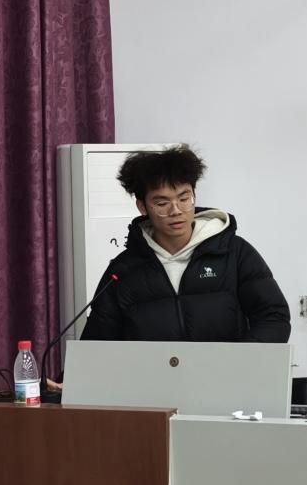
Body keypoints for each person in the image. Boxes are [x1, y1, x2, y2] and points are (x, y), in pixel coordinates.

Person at [80, 145, 290, 342]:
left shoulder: (234, 252)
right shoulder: (123, 270)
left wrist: (237, 360)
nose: (176, 210)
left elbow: (274, 317)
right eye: (162, 203)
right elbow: (98, 343)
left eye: (184, 198)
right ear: (142, 207)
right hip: (152, 371)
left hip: (227, 370)